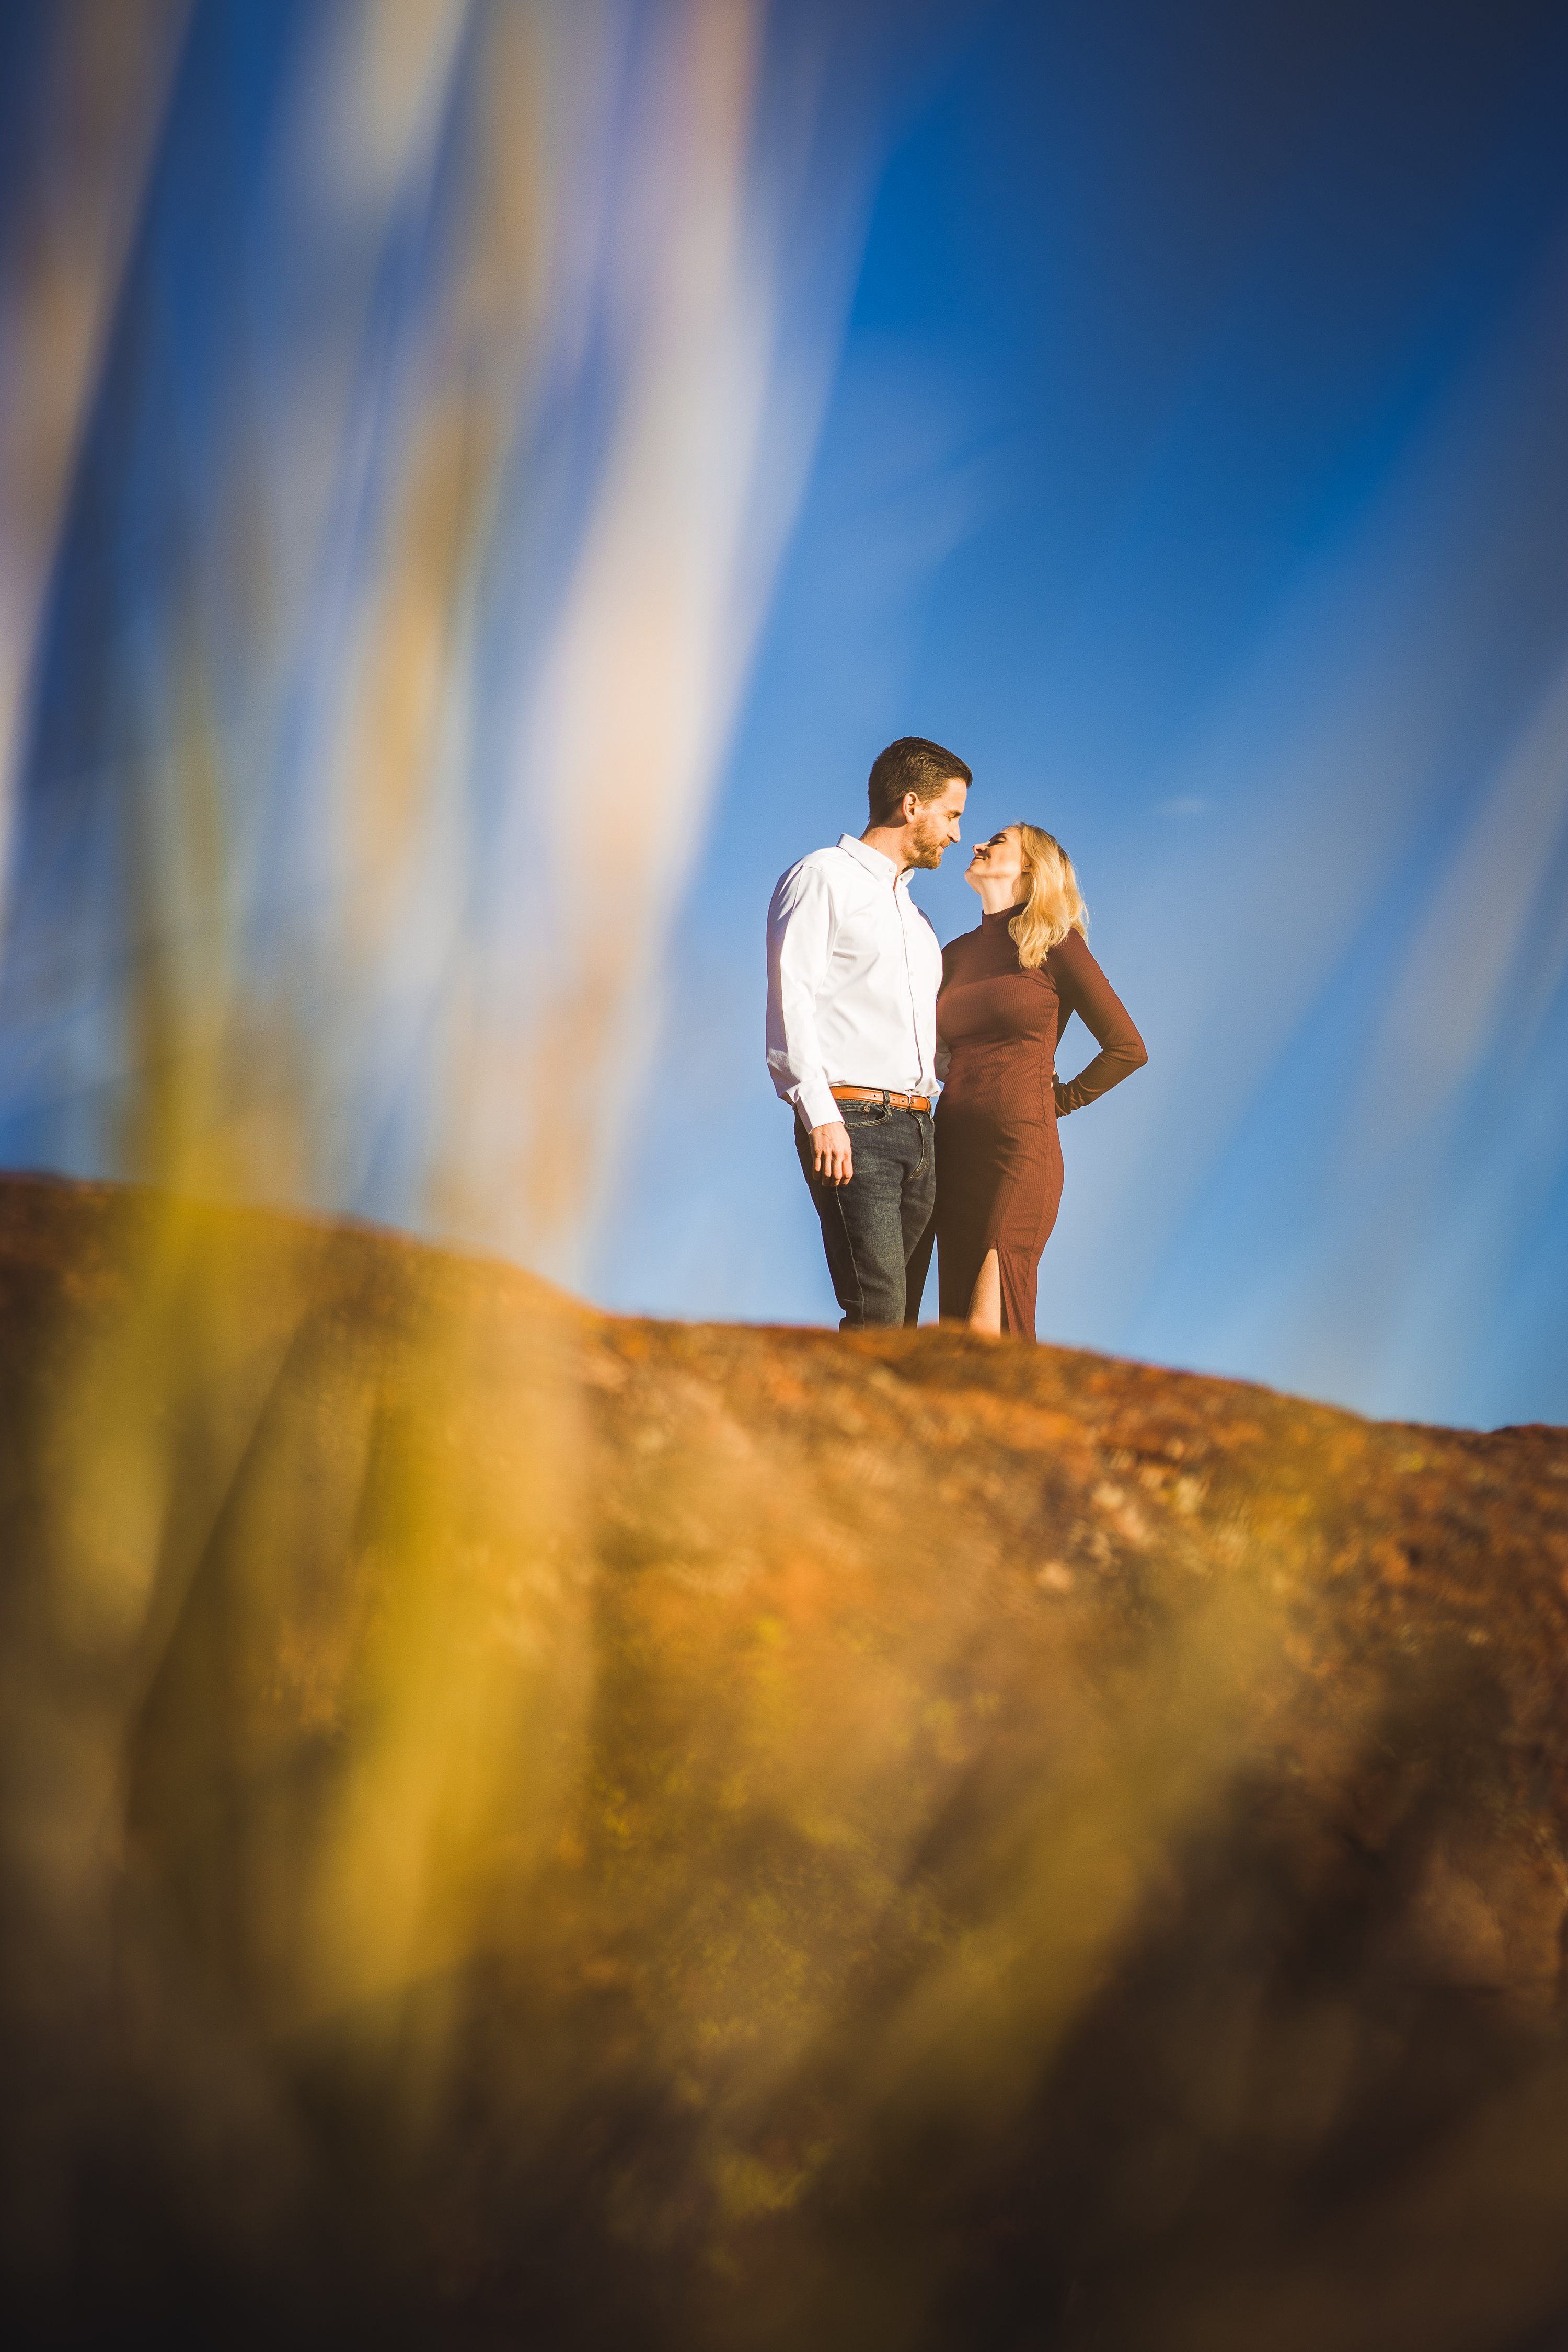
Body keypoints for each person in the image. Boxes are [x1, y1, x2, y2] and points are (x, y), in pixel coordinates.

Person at [766, 737, 971, 1328]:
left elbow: (930, 1036)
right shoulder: (821, 877)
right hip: (853, 1127)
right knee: (876, 1311)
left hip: (919, 1132)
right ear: (912, 806)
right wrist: (820, 1114)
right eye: (952, 815)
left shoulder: (918, 920)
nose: (957, 835)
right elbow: (791, 996)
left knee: (901, 1321)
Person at [936, 824, 1146, 1338]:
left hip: (1018, 1146)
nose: (976, 845)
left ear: (1030, 867)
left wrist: (1056, 1102)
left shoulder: (1057, 945)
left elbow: (1126, 1048)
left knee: (991, 1319)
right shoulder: (953, 955)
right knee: (956, 1330)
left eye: (996, 841)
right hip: (950, 1148)